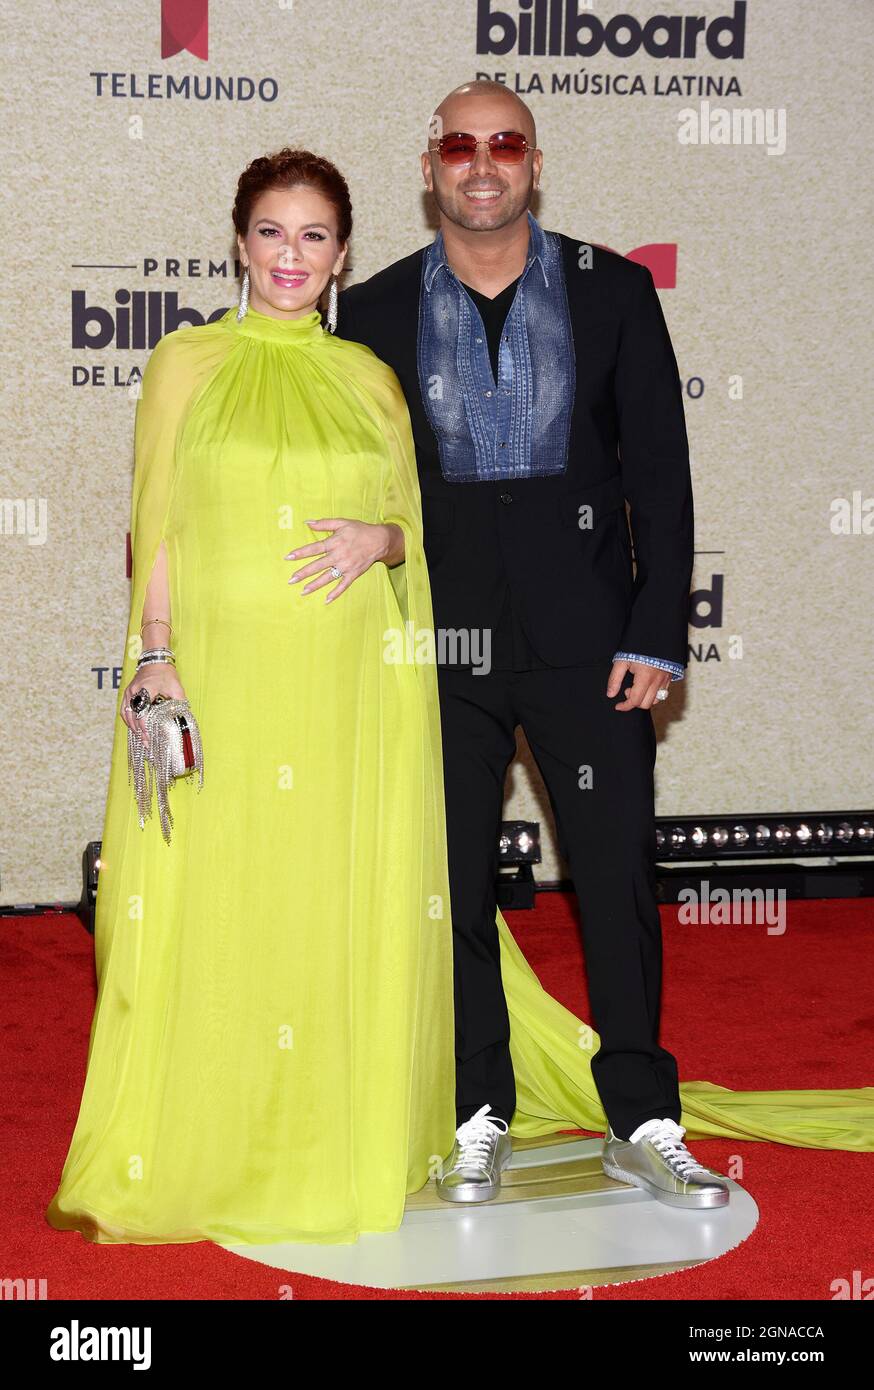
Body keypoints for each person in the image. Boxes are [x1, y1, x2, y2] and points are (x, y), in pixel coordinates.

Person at [334, 81, 874, 1207]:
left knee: (619, 873)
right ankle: (477, 1108)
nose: (483, 164)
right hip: (437, 646)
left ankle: (643, 1116)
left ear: (534, 162)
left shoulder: (612, 290)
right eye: (459, 145)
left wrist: (656, 633)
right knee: (449, 883)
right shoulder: (373, 310)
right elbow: (358, 480)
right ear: (427, 165)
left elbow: (660, 478)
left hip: (593, 646)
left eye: (506, 145)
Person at [45, 149, 458, 1244]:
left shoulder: (370, 377)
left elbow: (413, 528)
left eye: (314, 236)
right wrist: (155, 653)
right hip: (222, 674)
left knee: (323, 892)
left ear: (342, 255)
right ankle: (212, 1137)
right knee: (221, 893)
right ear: (238, 242)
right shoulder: (186, 361)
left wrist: (385, 538)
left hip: (344, 690)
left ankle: (326, 1130)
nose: (291, 256)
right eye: (271, 232)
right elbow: (159, 519)